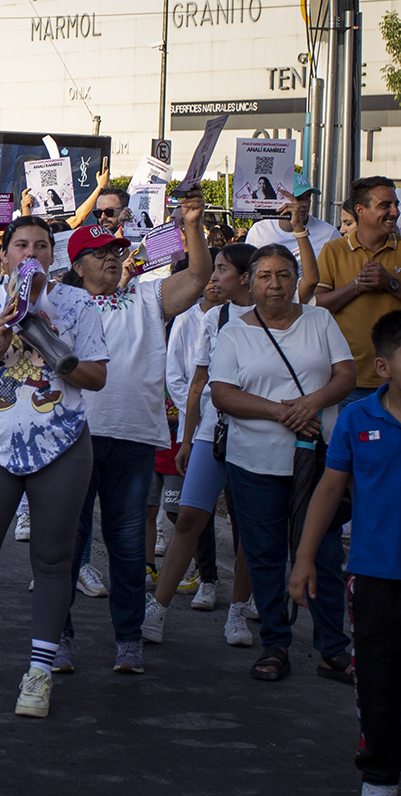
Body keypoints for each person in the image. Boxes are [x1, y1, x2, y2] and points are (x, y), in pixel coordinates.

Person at [0, 216, 108, 717]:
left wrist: (54, 348)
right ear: (4, 254)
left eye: (41, 245)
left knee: (54, 560)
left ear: (52, 256)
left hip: (62, 442)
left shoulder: (78, 304)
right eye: (20, 245)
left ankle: (39, 669)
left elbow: (94, 376)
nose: (30, 252)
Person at [58, 192, 211, 675]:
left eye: (117, 252)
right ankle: (58, 637)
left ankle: (128, 639)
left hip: (133, 438)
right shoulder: (61, 305)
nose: (113, 259)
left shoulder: (147, 297)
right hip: (73, 438)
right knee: (68, 542)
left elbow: (200, 278)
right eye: (102, 254)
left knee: (126, 546)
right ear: (78, 264)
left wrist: (192, 226)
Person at [210, 244, 355, 682]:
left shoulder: (321, 320)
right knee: (265, 556)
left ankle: (333, 648)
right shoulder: (234, 332)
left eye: (284, 275)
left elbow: (345, 373)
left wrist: (312, 403)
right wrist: (282, 413)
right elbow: (222, 393)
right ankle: (275, 644)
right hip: (254, 462)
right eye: (265, 276)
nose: (275, 284)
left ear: (297, 280)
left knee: (325, 556)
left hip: (315, 465)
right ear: (250, 283)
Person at [290, 310, 401, 796]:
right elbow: (330, 490)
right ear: (383, 367)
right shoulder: (358, 418)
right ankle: (379, 776)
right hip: (375, 573)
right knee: (376, 677)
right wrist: (306, 559)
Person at [146, 244, 259, 645]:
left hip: (260, 434)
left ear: (245, 276)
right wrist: (188, 440)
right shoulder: (217, 317)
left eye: (222, 269)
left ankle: (238, 613)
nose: (213, 278)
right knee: (189, 517)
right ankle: (156, 611)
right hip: (213, 430)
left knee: (249, 527)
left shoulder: (285, 319)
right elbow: (196, 384)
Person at [315, 176, 401, 408]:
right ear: (361, 210)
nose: (394, 211)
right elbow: (318, 305)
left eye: (396, 204)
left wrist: (390, 283)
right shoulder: (333, 250)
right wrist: (357, 286)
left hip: (398, 382)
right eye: (385, 205)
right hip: (348, 381)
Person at [242, 173, 339, 273]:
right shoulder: (259, 231)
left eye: (307, 197)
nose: (304, 204)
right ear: (281, 198)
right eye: (297, 198)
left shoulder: (329, 234)